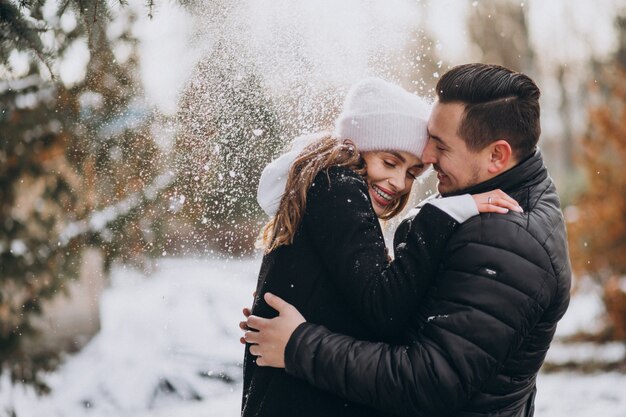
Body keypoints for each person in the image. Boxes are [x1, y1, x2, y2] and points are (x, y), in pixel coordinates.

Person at [243, 63, 572, 417]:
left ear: (496, 155)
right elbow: (382, 305)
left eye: (440, 148)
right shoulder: (340, 189)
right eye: (391, 161)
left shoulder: (508, 237)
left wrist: (300, 345)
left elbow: (428, 377)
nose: (428, 158)